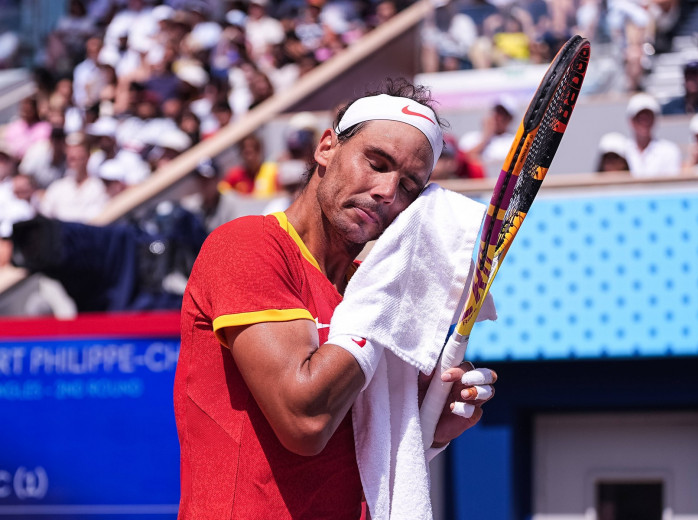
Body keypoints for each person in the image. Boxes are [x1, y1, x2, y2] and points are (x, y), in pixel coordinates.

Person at [174, 79, 496, 518]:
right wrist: (389, 297)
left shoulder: (368, 291)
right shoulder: (247, 245)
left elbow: (370, 455)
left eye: (408, 188)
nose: (387, 192)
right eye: (377, 162)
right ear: (326, 147)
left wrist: (434, 428)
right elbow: (304, 422)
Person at [458, 94, 518, 176]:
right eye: (496, 112)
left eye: (503, 114)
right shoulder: (470, 138)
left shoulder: (515, 141)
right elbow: (462, 162)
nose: (497, 117)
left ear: (510, 118)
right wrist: (486, 136)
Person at [624, 93, 682, 177]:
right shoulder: (621, 151)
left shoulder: (669, 151)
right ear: (631, 121)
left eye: (648, 117)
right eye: (639, 117)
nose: (644, 121)